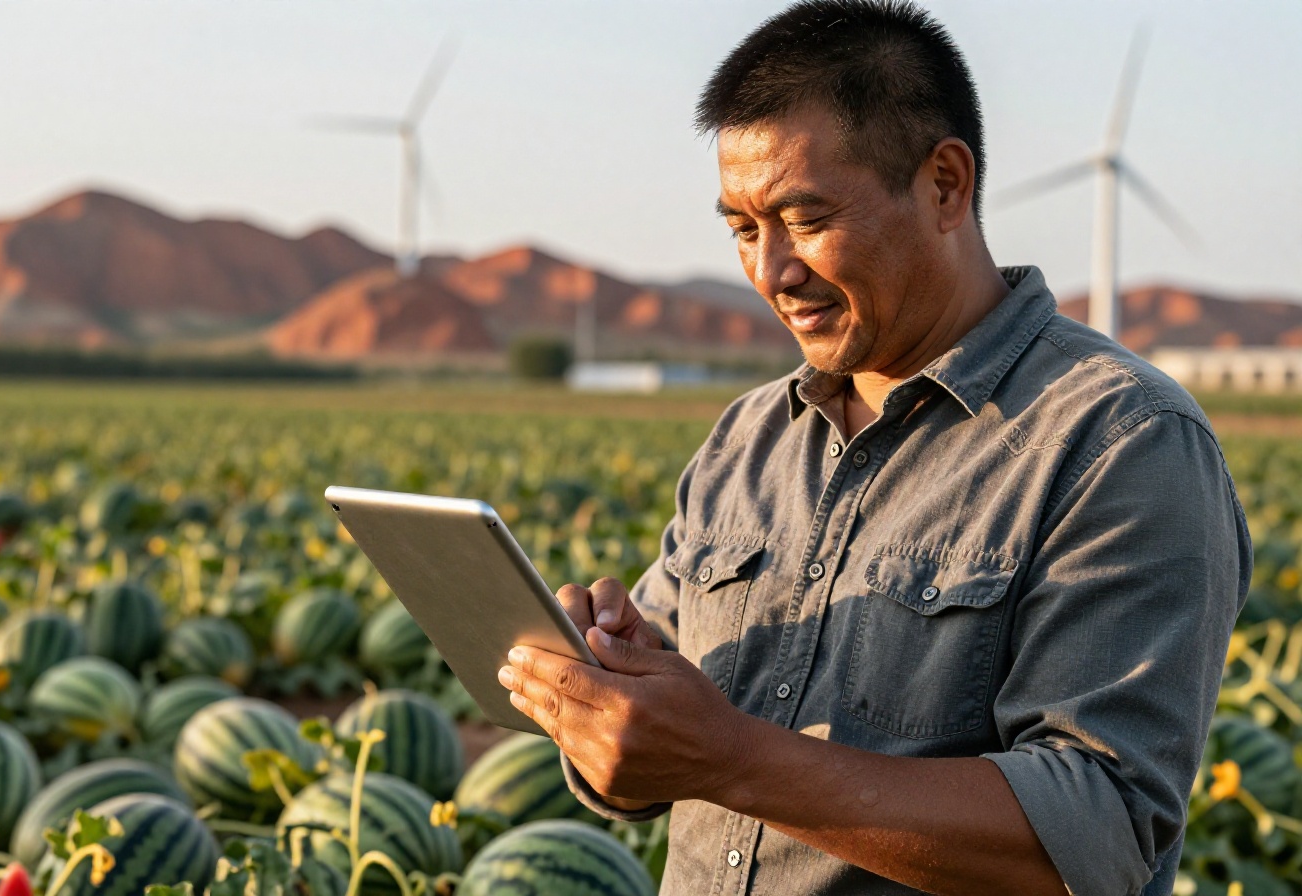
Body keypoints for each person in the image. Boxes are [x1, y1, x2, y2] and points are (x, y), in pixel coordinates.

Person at [495, 2, 1252, 894]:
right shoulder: (748, 440)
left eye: (805, 218)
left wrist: (731, 757)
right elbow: (674, 766)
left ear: (943, 185)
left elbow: (1100, 831)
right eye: (743, 229)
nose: (772, 271)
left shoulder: (1119, 441)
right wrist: (622, 694)